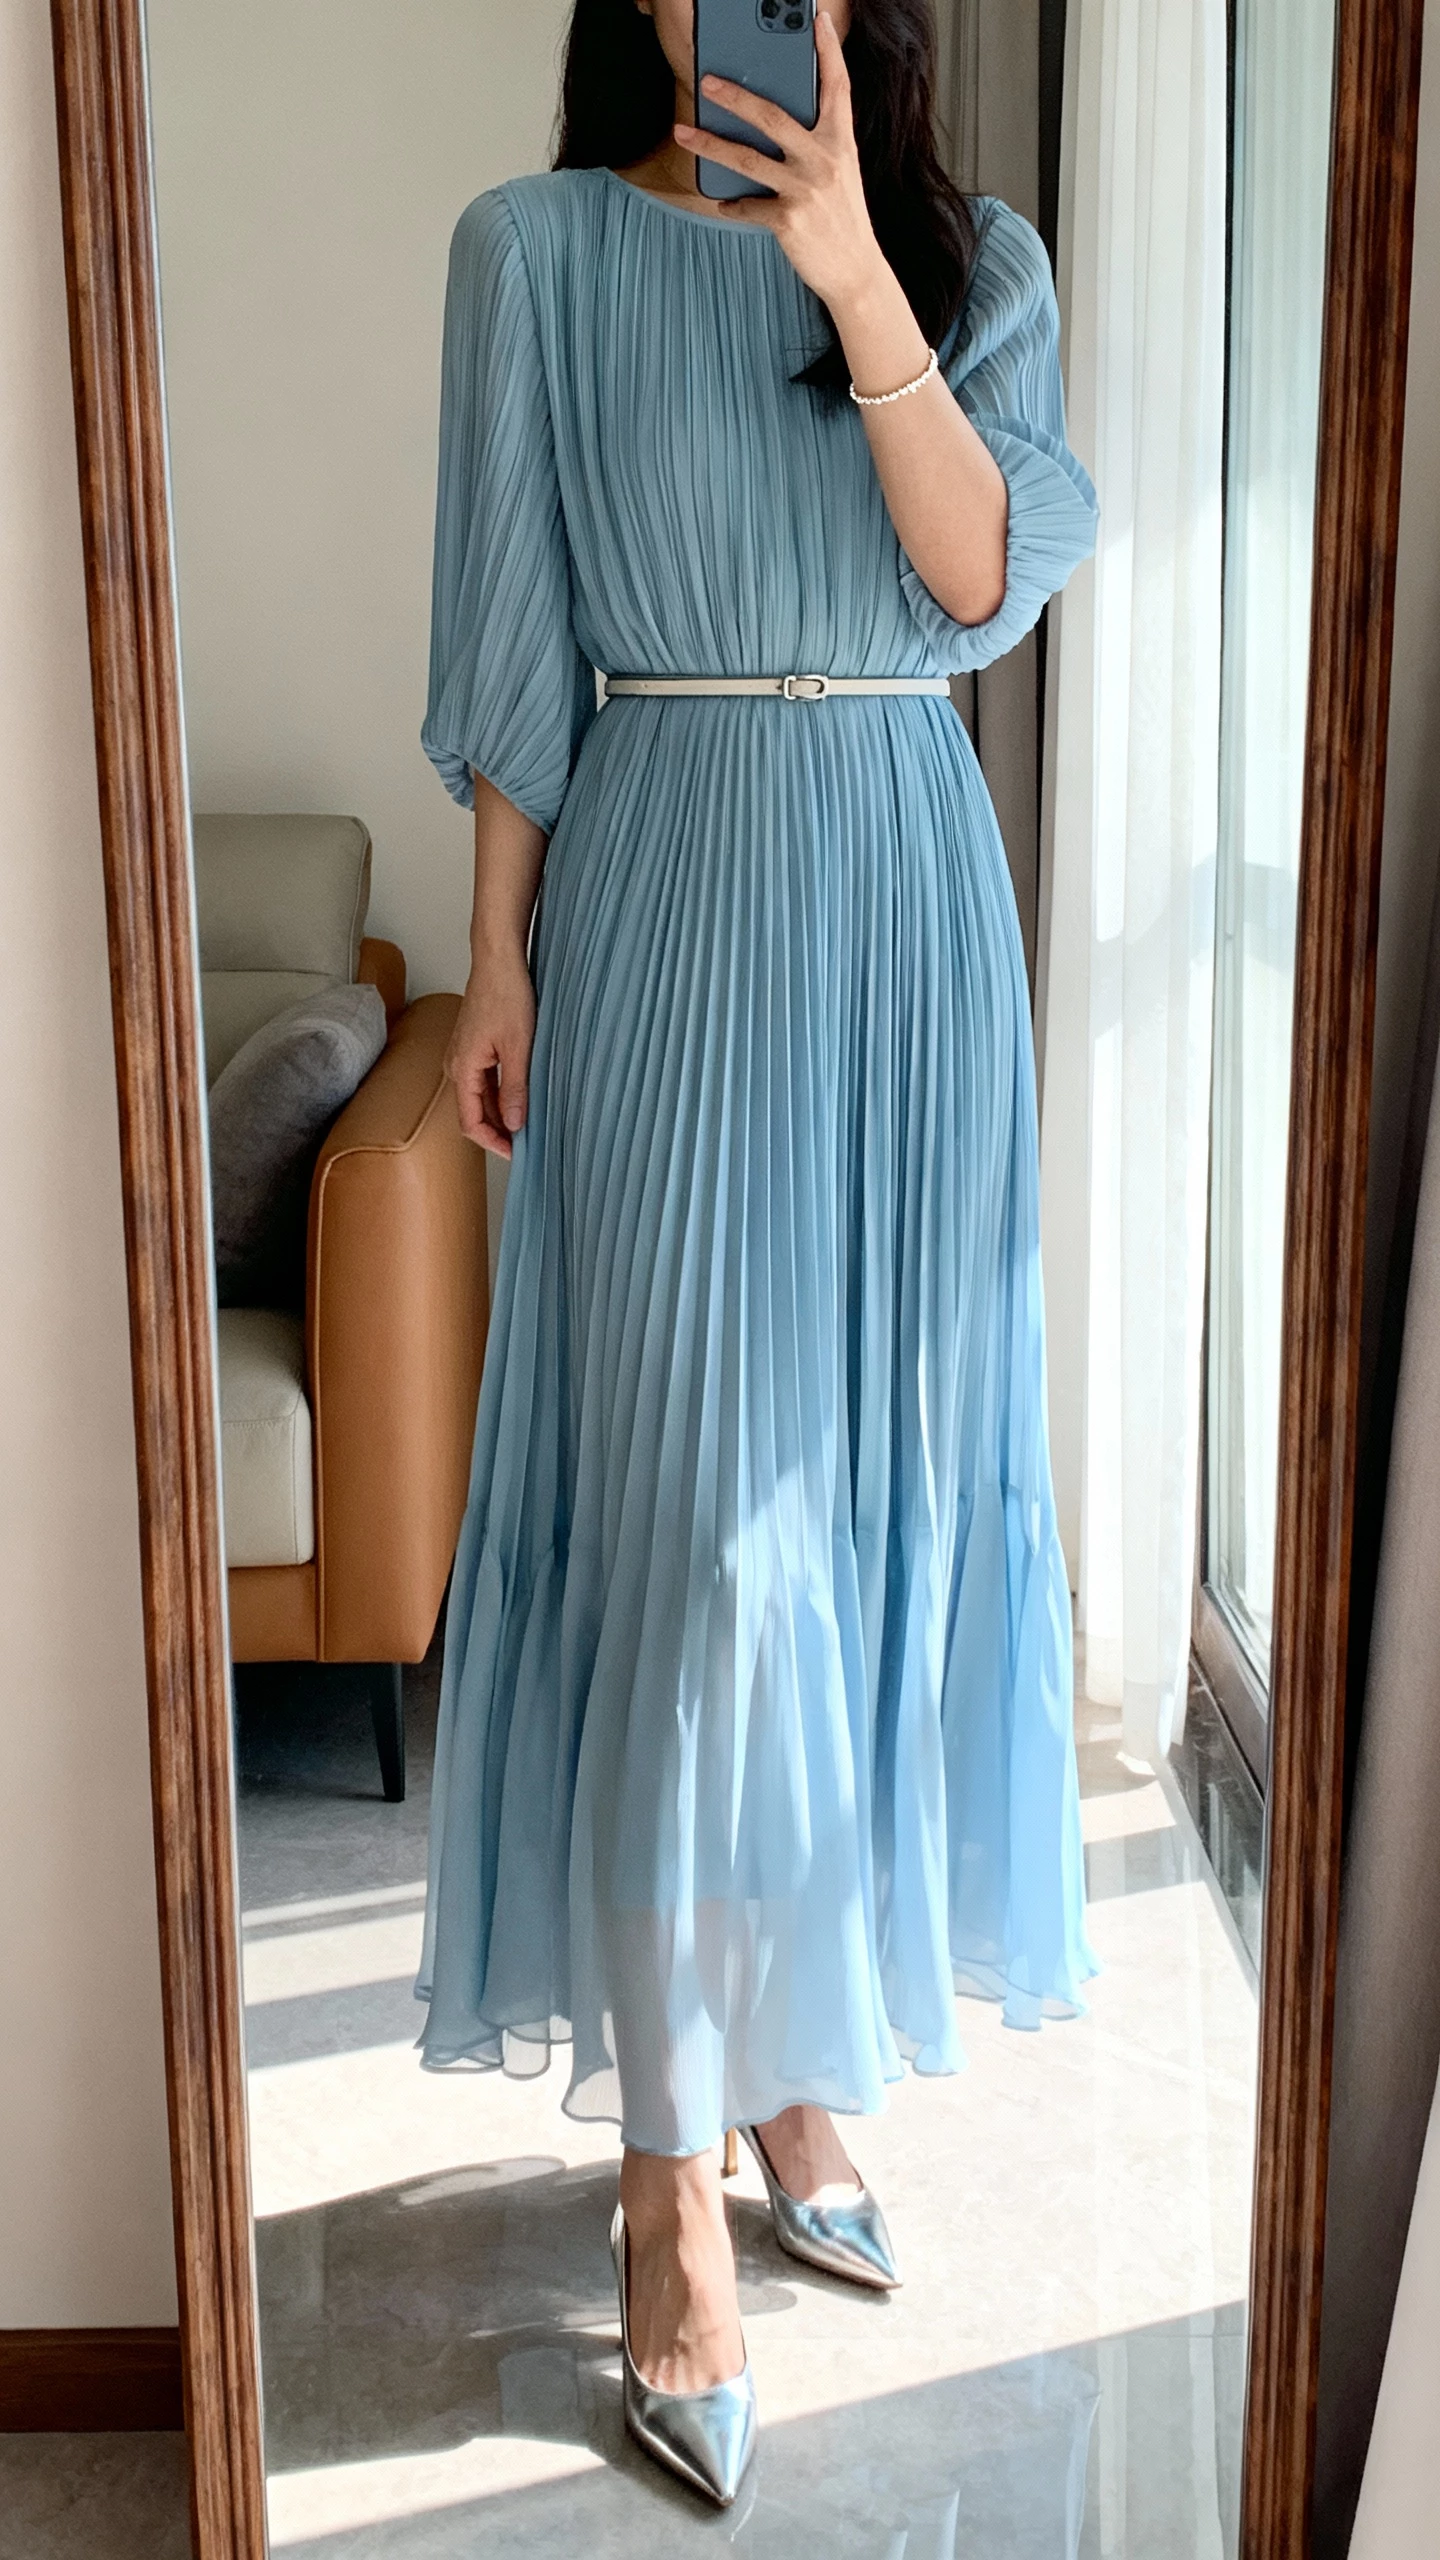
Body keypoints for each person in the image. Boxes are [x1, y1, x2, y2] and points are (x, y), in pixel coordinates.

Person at [417, 0, 1098, 2506]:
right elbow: (510, 640)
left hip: (911, 913)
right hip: (680, 883)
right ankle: (664, 2177)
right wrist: (496, 960)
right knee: (707, 1549)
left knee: (858, 1536)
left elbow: (986, 569)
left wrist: (857, 281)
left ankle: (798, 2053)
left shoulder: (970, 258)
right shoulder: (535, 256)